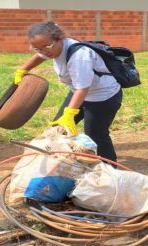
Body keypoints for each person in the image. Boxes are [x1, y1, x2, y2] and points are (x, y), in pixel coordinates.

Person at [14, 21, 122, 163]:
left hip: (103, 97)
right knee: (57, 128)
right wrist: (23, 69)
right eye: (37, 48)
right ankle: (60, 161)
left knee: (95, 133)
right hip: (79, 92)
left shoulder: (79, 56)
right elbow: (40, 56)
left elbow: (83, 88)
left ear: (60, 39)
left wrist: (70, 113)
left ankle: (110, 167)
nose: (43, 52)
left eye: (46, 47)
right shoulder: (50, 48)